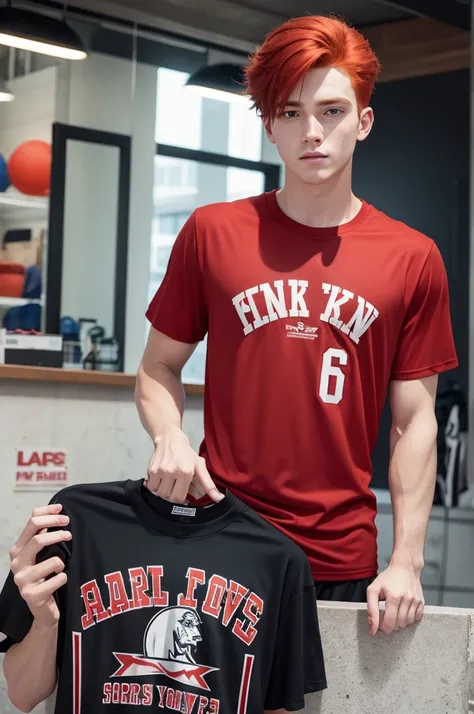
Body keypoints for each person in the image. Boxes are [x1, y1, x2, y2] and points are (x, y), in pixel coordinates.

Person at [135, 13, 458, 638]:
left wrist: (407, 560)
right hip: (216, 534)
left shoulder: (412, 257)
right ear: (269, 129)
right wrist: (169, 436)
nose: (312, 132)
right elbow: (157, 367)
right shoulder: (213, 233)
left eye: (332, 111)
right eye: (289, 113)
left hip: (340, 556)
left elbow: (415, 422)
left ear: (363, 123)